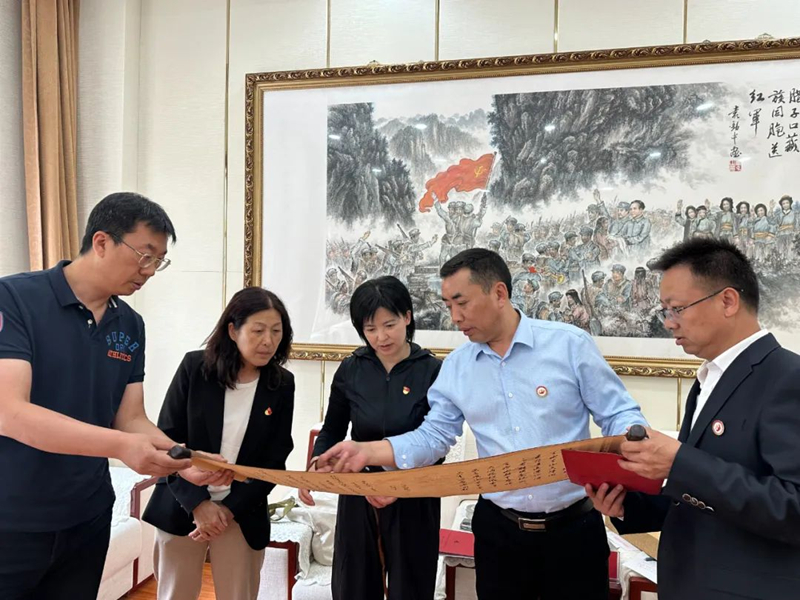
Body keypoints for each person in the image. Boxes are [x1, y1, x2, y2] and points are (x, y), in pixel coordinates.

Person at [318, 249, 647, 599]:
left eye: (462, 303)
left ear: (499, 293)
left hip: (574, 530)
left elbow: (618, 414)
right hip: (499, 535)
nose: (455, 317)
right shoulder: (457, 367)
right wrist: (367, 451)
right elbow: (434, 436)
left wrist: (630, 453)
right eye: (448, 305)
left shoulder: (568, 345)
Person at [0, 192, 193, 599]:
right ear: (102, 242)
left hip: (87, 517)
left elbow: (130, 418)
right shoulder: (15, 299)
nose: (149, 271)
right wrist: (122, 446)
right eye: (144, 255)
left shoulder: (131, 324)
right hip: (12, 517)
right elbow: (11, 413)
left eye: (158, 261)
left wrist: (183, 460)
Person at [587, 238, 800, 600]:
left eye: (677, 309)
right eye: (664, 311)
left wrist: (679, 462)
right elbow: (695, 495)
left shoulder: (787, 378)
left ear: (728, 301)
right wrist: (626, 505)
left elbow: (792, 507)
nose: (669, 323)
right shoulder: (708, 380)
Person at [143, 287, 295, 600]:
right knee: (175, 594)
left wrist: (226, 510)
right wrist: (199, 504)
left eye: (276, 331)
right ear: (233, 330)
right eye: (258, 331)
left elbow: (275, 458)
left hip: (242, 509)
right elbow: (167, 439)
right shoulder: (194, 368)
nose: (268, 341)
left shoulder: (281, 384)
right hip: (181, 502)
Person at [300, 276, 442, 600]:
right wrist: (315, 464)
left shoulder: (432, 370)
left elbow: (436, 443)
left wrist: (398, 482)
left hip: (414, 494)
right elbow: (333, 429)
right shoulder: (352, 369)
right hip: (359, 492)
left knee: (411, 585)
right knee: (355, 584)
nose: (381, 336)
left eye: (389, 325)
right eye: (370, 329)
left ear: (407, 317)